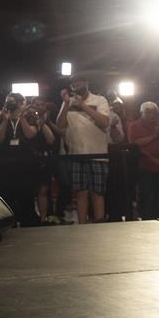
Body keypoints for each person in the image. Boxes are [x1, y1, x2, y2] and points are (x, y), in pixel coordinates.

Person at [55, 77, 111, 224]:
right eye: (73, 83)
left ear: (87, 83)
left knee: (97, 193)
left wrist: (83, 106)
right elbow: (60, 125)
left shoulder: (99, 100)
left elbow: (105, 122)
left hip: (98, 154)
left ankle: (99, 227)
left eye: (79, 81)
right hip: (76, 154)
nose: (75, 84)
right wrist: (67, 103)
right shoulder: (68, 102)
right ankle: (82, 227)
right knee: (80, 194)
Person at [0, 94, 40, 226]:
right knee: (6, 196)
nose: (11, 105)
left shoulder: (29, 116)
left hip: (25, 163)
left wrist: (21, 117)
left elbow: (30, 134)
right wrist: (5, 120)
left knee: (26, 195)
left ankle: (28, 223)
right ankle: (9, 224)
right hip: (6, 163)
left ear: (21, 103)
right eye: (8, 103)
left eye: (14, 103)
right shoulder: (1, 116)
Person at [127, 102, 159, 220]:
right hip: (144, 166)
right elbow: (135, 143)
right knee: (145, 194)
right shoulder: (134, 125)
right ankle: (145, 218)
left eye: (153, 112)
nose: (151, 115)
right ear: (141, 113)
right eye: (148, 112)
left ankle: (157, 216)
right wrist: (155, 136)